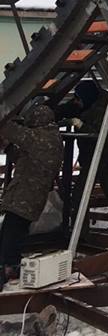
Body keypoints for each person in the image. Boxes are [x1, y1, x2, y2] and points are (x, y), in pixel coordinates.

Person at [59, 79, 108, 233]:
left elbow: (98, 134)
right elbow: (70, 107)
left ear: (87, 99)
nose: (76, 103)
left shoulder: (101, 111)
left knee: (80, 195)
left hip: (97, 155)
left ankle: (79, 232)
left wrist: (80, 125)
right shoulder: (91, 102)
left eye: (78, 100)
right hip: (96, 154)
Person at [0, 103, 62, 288]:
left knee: (11, 234)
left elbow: (8, 128)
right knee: (11, 232)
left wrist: (5, 113)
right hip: (32, 196)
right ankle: (8, 266)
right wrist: (9, 149)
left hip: (24, 196)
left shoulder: (38, 137)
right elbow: (27, 157)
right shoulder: (52, 138)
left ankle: (8, 269)